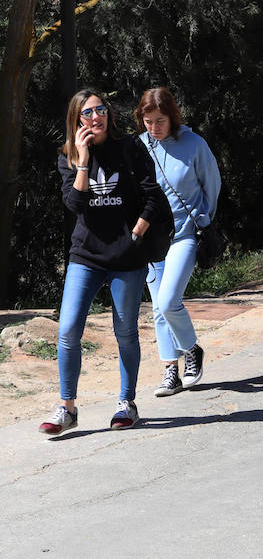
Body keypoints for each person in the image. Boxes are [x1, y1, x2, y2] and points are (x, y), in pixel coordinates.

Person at [39, 89, 171, 436]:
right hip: (86, 256)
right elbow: (75, 205)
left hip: (126, 258)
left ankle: (126, 402)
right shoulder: (68, 156)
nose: (96, 117)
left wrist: (136, 234)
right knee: (68, 330)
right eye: (87, 113)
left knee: (125, 331)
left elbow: (152, 196)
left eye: (100, 110)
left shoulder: (130, 146)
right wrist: (82, 159)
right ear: (76, 121)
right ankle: (67, 407)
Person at [138, 87, 221, 398]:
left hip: (185, 233)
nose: (154, 128)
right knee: (158, 308)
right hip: (152, 239)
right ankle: (170, 368)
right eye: (147, 122)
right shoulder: (140, 147)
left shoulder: (194, 144)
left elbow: (211, 184)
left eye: (160, 120)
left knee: (169, 299)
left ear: (172, 117)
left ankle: (191, 349)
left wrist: (203, 220)